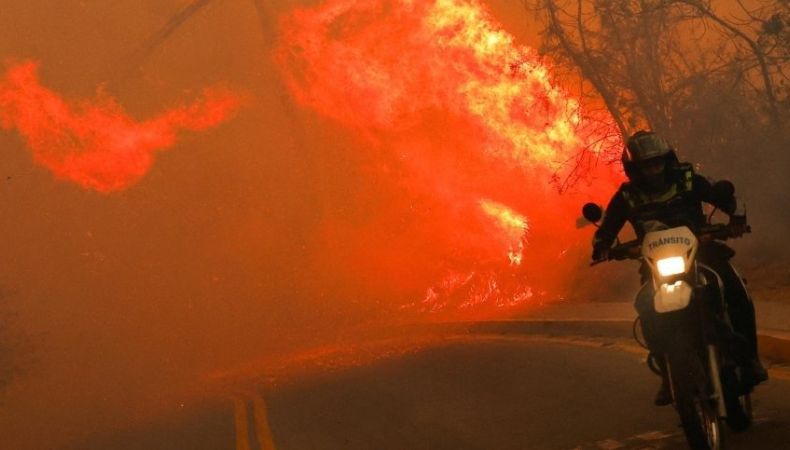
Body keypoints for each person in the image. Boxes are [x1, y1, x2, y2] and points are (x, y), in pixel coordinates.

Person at [592, 130, 767, 406]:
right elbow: (608, 228)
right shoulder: (627, 196)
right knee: (645, 304)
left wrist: (735, 217)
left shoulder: (687, 179)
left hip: (703, 251)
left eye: (657, 163)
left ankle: (750, 360)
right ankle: (669, 374)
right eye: (645, 166)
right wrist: (602, 245)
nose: (653, 171)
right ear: (634, 169)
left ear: (667, 160)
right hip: (656, 264)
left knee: (734, 288)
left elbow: (725, 198)